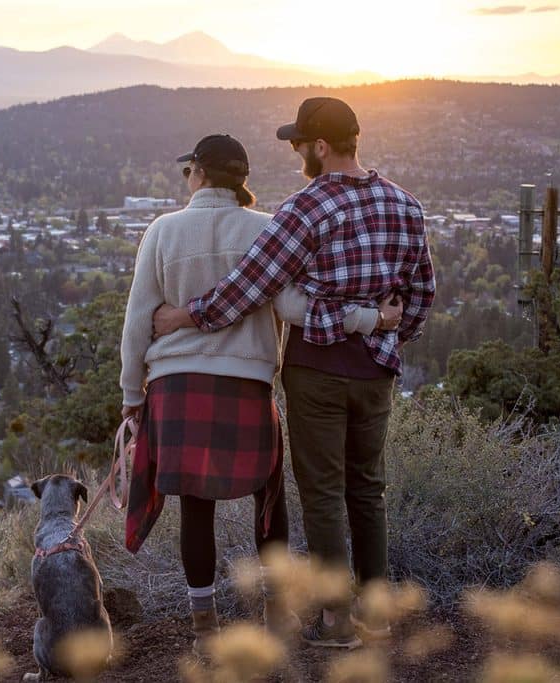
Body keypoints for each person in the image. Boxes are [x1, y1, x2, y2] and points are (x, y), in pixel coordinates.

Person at [153, 98, 436, 649]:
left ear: (321, 146)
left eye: (299, 144)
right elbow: (422, 296)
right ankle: (377, 616)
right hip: (377, 372)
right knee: (368, 491)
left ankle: (335, 620)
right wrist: (384, 332)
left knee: (324, 494)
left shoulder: (305, 208)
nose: (295, 153)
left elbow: (250, 286)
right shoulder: (406, 205)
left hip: (316, 370)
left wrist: (185, 315)